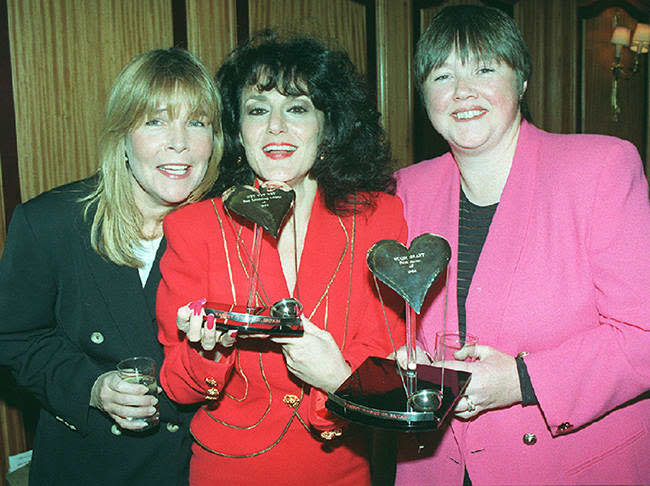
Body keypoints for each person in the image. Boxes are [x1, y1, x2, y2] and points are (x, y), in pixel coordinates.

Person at [393, 5, 650, 486]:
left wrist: (521, 381)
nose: (462, 91)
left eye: (485, 68)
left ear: (523, 81)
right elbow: (391, 320)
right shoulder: (403, 190)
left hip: (569, 467)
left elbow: (644, 335)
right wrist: (403, 355)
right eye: (442, 74)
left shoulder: (601, 169)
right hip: (436, 466)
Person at [155, 31, 406, 486]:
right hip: (228, 470)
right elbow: (175, 384)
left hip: (341, 465)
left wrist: (336, 381)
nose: (275, 127)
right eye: (257, 110)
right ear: (238, 130)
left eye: (296, 108)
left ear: (327, 125)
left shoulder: (377, 217)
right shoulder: (194, 227)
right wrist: (209, 353)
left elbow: (386, 358)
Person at [0, 47, 223, 485]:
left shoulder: (231, 229)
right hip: (88, 467)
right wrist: (92, 387)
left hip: (195, 468)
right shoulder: (49, 223)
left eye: (196, 122)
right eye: (155, 120)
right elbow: (14, 336)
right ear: (122, 135)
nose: (179, 141)